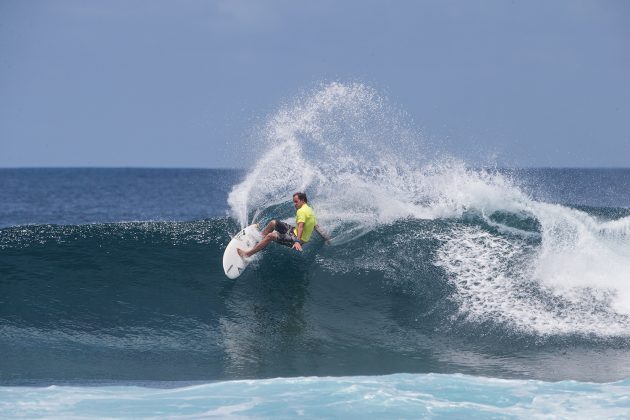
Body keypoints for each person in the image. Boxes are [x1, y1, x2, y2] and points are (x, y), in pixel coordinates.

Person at [237, 192, 330, 258]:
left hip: (297, 239)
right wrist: (326, 238)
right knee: (273, 223)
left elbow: (301, 226)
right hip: (293, 231)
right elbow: (316, 226)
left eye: (296, 201)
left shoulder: (302, 211)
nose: (294, 204)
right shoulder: (310, 210)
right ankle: (260, 241)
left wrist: (297, 241)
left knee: (271, 236)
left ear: (302, 201)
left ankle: (247, 254)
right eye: (294, 201)